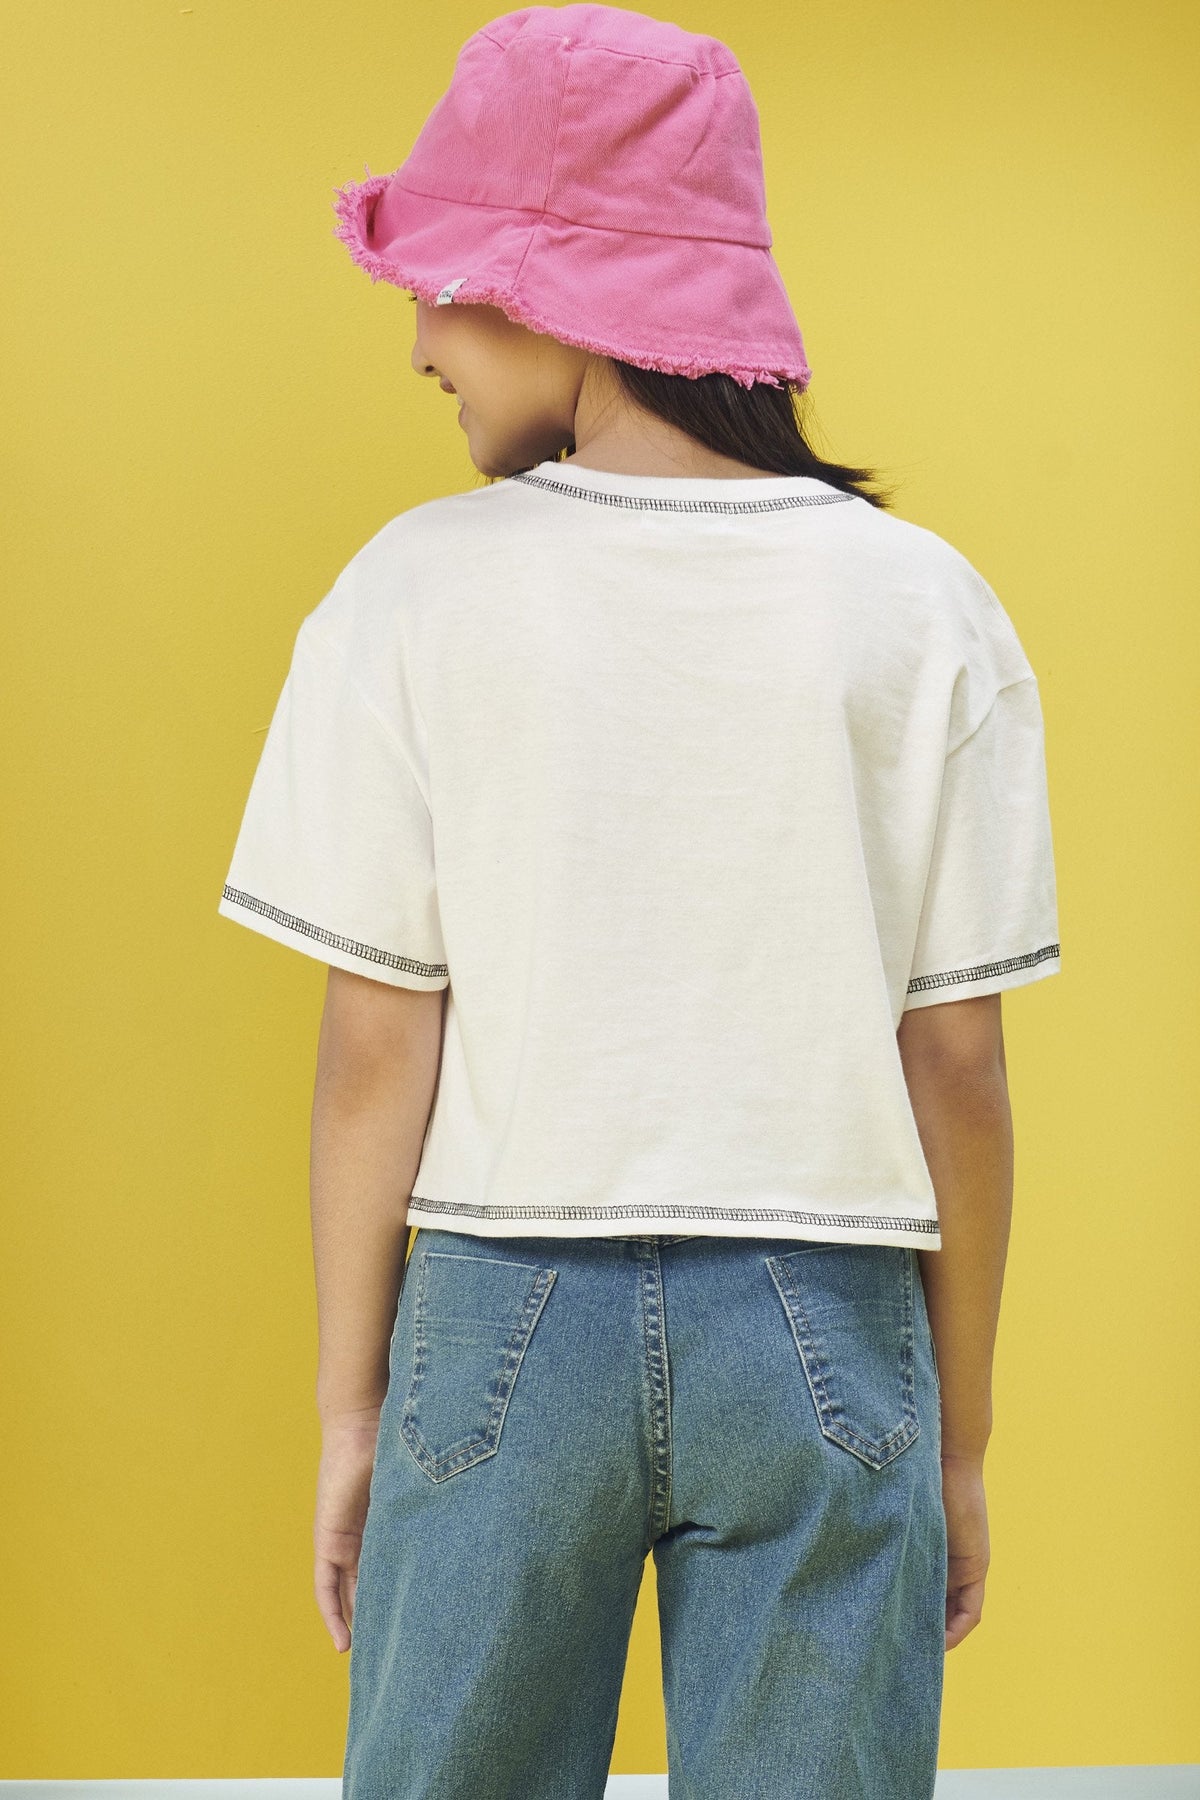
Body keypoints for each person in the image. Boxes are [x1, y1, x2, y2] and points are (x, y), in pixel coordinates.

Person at [217, 7, 1062, 1796]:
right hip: (830, 1319)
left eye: (447, 283)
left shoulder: (412, 593)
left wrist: (353, 1412)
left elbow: (376, 1051)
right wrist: (961, 1439)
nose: (421, 337)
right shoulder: (923, 605)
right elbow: (961, 1067)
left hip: (497, 1316)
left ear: (565, 298)